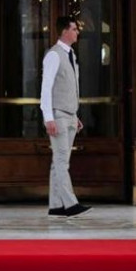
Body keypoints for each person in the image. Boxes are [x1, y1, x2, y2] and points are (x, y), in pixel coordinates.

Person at [41, 16, 89, 218]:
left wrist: (75, 115)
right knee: (62, 162)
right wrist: (48, 117)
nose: (77, 32)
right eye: (74, 29)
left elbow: (68, 88)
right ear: (64, 32)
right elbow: (46, 87)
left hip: (69, 114)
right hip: (58, 115)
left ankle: (55, 206)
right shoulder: (54, 55)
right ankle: (71, 204)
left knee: (58, 161)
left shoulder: (71, 55)